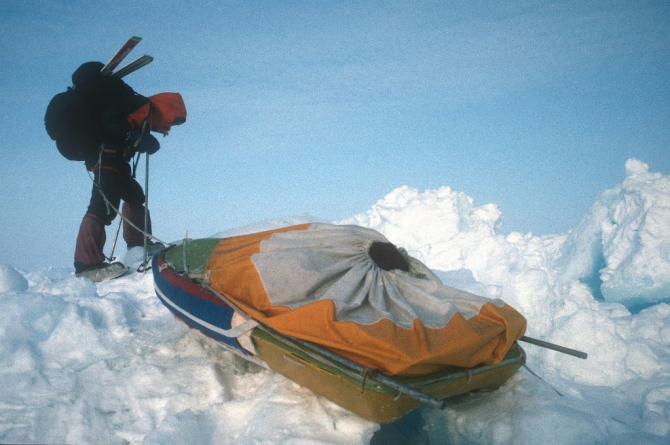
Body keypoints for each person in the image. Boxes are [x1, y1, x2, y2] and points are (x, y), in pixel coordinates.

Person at [68, 61, 163, 281]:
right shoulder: (109, 95)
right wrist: (138, 139)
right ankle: (86, 265)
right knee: (102, 206)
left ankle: (139, 245)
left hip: (112, 155)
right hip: (106, 155)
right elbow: (113, 124)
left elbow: (114, 123)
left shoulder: (101, 96)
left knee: (134, 195)